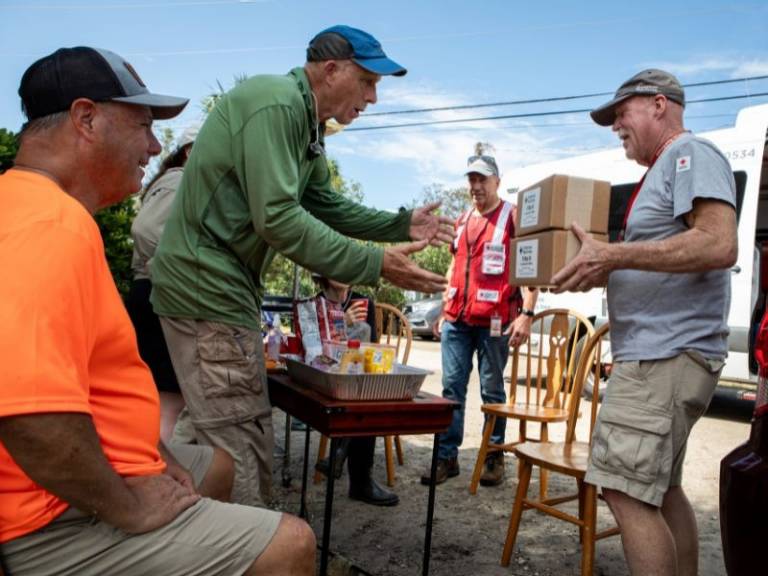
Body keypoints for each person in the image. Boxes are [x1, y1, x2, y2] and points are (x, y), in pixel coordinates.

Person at [0, 46, 315, 576]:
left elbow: (82, 393)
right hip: (42, 515)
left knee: (213, 465)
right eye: (143, 125)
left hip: (59, 481)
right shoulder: (48, 227)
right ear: (86, 118)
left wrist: (153, 455)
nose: (152, 146)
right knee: (292, 544)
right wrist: (129, 505)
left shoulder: (36, 206)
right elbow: (30, 418)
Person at [150, 25, 453, 506]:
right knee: (243, 441)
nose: (373, 98)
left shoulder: (306, 126)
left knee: (208, 433)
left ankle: (179, 527)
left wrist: (399, 224)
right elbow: (279, 218)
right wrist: (375, 263)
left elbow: (324, 205)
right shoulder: (276, 105)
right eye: (368, 82)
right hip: (206, 291)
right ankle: (249, 548)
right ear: (331, 70)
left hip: (222, 292)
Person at [551, 69, 738, 576]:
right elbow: (653, 256)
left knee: (625, 490)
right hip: (666, 355)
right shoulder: (662, 169)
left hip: (662, 358)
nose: (615, 126)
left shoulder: (691, 154)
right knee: (661, 490)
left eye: (621, 113)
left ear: (659, 104)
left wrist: (612, 255)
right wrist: (606, 269)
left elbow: (718, 243)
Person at [421, 154, 538, 486]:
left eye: (482, 180)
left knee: (492, 391)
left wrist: (527, 314)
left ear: (497, 182)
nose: (476, 186)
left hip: (496, 321)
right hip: (457, 320)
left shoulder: (512, 217)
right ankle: (447, 457)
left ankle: (493, 457)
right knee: (451, 389)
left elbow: (530, 266)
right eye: (471, 180)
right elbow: (453, 267)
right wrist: (445, 308)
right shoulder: (461, 221)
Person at [125, 124, 199, 442]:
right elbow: (146, 230)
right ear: (189, 151)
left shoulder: (174, 181)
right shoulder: (180, 180)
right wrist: (174, 271)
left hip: (156, 291)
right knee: (167, 399)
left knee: (167, 398)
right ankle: (155, 473)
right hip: (158, 293)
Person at [312, 274, 400, 506]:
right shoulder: (315, 304)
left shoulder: (363, 302)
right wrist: (342, 322)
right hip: (325, 376)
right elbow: (312, 346)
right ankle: (356, 477)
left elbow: (368, 348)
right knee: (361, 397)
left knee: (365, 394)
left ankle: (344, 460)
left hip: (355, 378)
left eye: (346, 267)